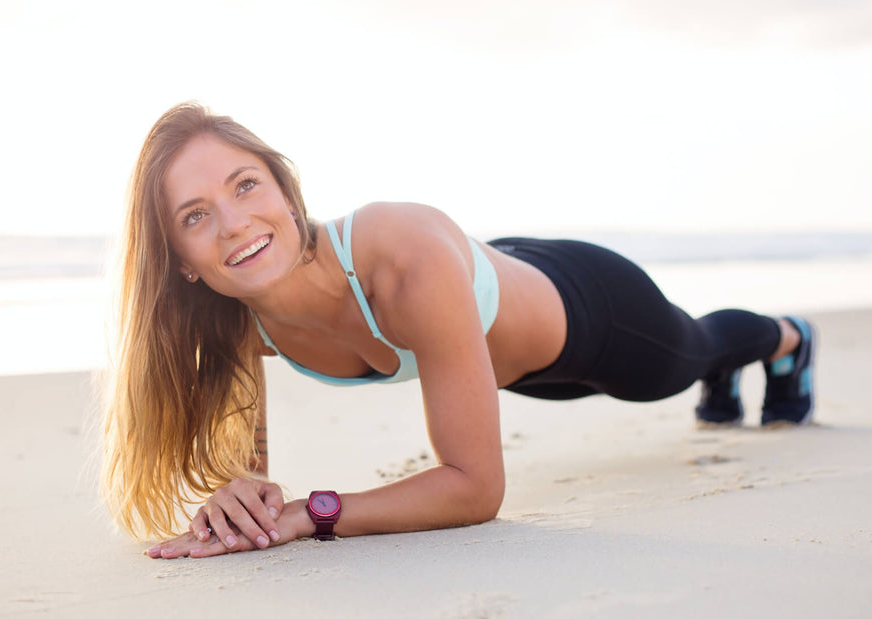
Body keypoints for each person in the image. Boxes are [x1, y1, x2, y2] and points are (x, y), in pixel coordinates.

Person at [102, 102, 816, 560]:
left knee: (687, 356)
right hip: (505, 355)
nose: (233, 223)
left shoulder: (399, 254)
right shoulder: (237, 319)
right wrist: (242, 489)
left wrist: (312, 514)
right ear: (182, 261)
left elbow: (476, 489)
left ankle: (788, 339)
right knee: (680, 361)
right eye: (195, 216)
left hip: (589, 310)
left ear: (285, 191)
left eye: (245, 184)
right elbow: (248, 451)